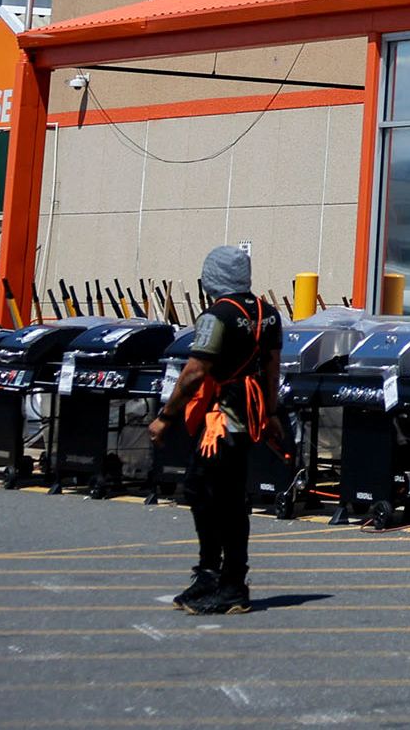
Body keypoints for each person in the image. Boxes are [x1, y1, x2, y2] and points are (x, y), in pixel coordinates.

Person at [148, 244, 283, 616]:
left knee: (212, 493)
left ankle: (228, 583)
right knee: (222, 493)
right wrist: (271, 414)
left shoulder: (216, 315)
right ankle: (215, 575)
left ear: (214, 277)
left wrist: (166, 416)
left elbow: (195, 372)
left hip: (220, 417)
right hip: (249, 412)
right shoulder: (268, 314)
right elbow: (273, 368)